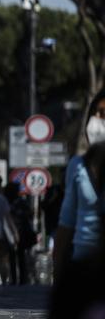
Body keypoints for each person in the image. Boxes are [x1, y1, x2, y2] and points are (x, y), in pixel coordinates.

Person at [54, 89, 105, 278]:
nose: (98, 121)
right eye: (96, 114)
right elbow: (66, 222)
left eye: (104, 115)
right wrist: (58, 272)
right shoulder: (78, 166)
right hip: (83, 264)